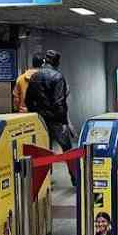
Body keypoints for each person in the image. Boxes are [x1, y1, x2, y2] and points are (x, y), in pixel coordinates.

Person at [24, 49, 79, 185]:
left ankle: (46, 181)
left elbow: (28, 100)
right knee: (67, 150)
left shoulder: (35, 77)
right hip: (56, 120)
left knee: (44, 150)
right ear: (57, 62)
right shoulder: (57, 77)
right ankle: (75, 179)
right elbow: (59, 101)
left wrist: (35, 115)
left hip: (40, 119)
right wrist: (64, 122)